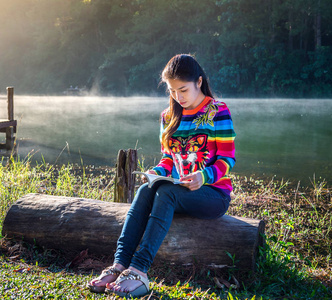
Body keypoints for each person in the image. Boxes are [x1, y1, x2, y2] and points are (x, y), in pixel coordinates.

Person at [87, 54, 236, 298]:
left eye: (183, 90)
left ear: (199, 82)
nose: (178, 97)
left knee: (166, 193)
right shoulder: (169, 116)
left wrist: (204, 176)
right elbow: (168, 159)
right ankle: (119, 265)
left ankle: (140, 271)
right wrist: (156, 172)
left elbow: (227, 159)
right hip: (180, 192)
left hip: (213, 195)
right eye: (172, 90)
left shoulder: (217, 111)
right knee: (145, 190)